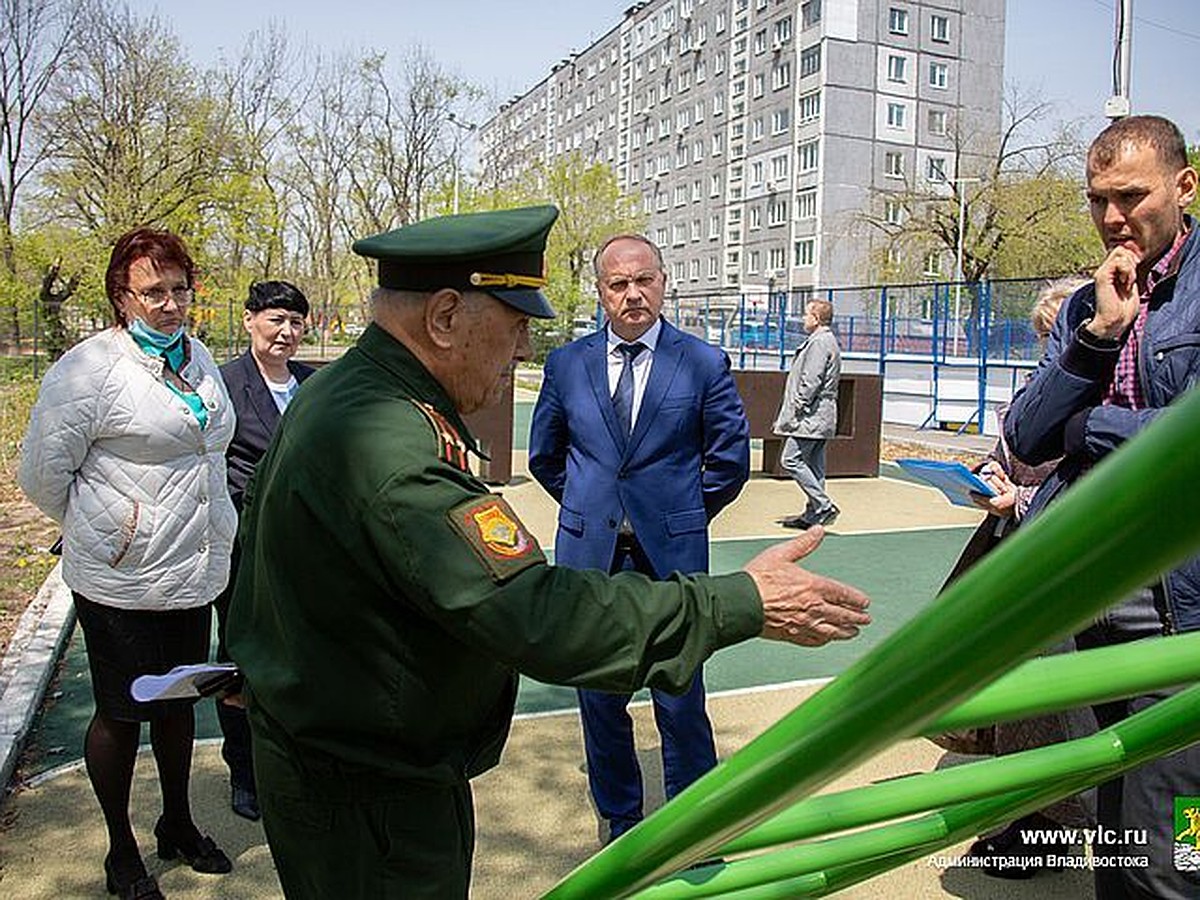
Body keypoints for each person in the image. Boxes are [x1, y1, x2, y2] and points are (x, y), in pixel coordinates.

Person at [226, 205, 871, 900]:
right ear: (444, 318)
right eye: (515, 325)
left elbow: (256, 543)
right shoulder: (390, 444)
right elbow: (530, 611)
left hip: (332, 751)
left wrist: (257, 657)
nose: (525, 350)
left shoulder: (340, 396)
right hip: (373, 789)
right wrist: (742, 600)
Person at [1005, 114, 1200, 900]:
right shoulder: (1092, 300)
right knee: (1111, 813)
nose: (1113, 218)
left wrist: (1089, 424)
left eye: (1131, 196)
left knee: (1181, 828)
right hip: (1089, 594)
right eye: (1096, 199)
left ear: (1184, 187)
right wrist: (1095, 336)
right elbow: (1024, 434)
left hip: (1179, 598)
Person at [18, 228, 236, 900]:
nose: (169, 304)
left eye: (178, 289)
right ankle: (122, 851)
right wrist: (112, 530)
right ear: (122, 297)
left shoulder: (197, 356)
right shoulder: (89, 370)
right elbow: (42, 474)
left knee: (176, 705)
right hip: (121, 577)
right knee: (122, 712)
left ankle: (177, 823)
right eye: (152, 292)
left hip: (194, 571)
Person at [528, 233, 750, 842]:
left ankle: (692, 825)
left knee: (680, 697)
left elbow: (729, 461)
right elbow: (546, 457)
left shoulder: (703, 362)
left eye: (643, 280)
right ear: (600, 292)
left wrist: (672, 514)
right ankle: (621, 821)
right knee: (600, 697)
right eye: (618, 284)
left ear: (663, 281)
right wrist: (592, 510)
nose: (632, 294)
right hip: (589, 557)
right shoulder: (566, 364)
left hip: (671, 557)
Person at [949, 276, 1097, 878]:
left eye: (1055, 336)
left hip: (1074, 575)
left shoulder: (1107, 401)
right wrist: (986, 476)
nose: (1046, 349)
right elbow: (1010, 449)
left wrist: (1025, 504)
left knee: (1077, 711)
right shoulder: (1037, 393)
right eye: (1043, 337)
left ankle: (1078, 827)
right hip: (1021, 570)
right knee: (1020, 708)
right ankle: (1032, 819)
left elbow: (1092, 492)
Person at [214, 281, 315, 821]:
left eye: (296, 323)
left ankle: (297, 761)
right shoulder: (225, 385)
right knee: (242, 663)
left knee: (302, 658)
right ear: (250, 320)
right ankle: (244, 771)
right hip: (243, 549)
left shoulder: (314, 383)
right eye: (276, 319)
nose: (287, 332)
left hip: (307, 551)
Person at [772, 299, 842, 529]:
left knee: (790, 459)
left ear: (816, 318)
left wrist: (796, 408)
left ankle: (823, 505)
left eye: (806, 314)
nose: (803, 318)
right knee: (814, 465)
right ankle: (813, 516)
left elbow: (811, 380)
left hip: (811, 416)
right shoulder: (825, 341)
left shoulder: (820, 343)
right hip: (821, 415)